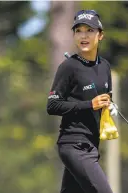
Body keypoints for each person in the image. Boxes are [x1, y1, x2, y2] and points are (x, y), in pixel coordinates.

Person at [46, 10, 117, 193]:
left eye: (89, 30)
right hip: (73, 145)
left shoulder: (105, 66)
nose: (83, 36)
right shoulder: (68, 67)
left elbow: (106, 98)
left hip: (92, 145)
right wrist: (89, 105)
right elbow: (52, 105)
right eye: (78, 31)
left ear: (100, 35)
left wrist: (110, 106)